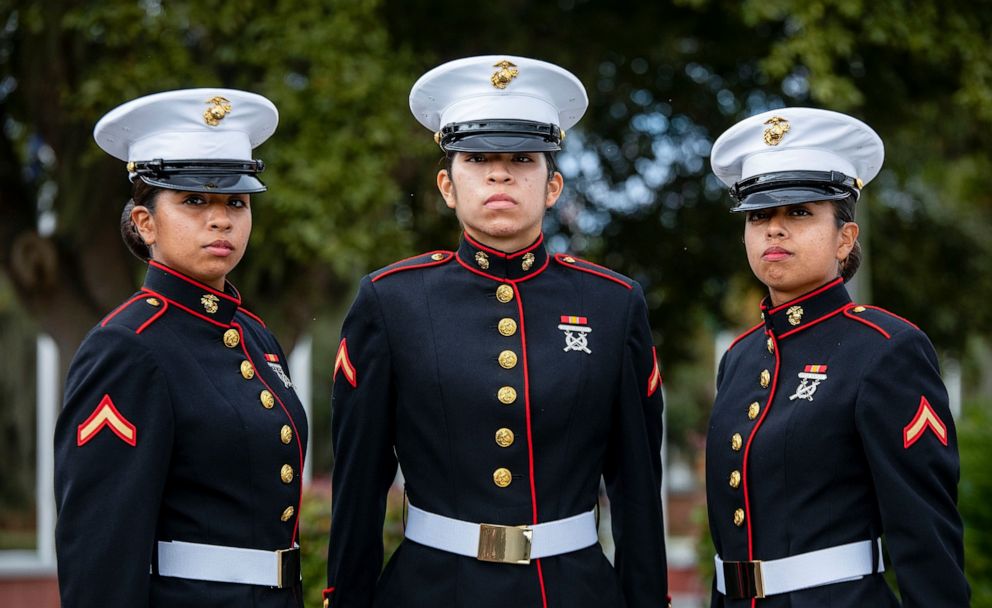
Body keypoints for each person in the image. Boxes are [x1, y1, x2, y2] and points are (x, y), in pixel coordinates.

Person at [322, 55, 670, 608]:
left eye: (522, 159)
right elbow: (359, 486)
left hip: (575, 591)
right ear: (446, 185)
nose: (500, 174)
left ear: (552, 185)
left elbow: (636, 490)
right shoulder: (392, 302)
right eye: (479, 158)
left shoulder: (611, 305)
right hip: (429, 591)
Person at [705, 107, 969, 606]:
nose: (774, 230)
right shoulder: (739, 358)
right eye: (759, 215)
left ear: (845, 239)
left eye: (799, 212)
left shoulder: (886, 350)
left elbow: (924, 532)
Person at [54, 88, 308, 607]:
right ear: (145, 222)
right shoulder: (126, 348)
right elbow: (98, 547)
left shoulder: (255, 337)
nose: (221, 219)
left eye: (236, 201)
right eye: (195, 200)